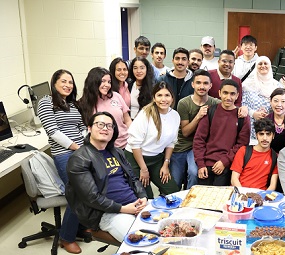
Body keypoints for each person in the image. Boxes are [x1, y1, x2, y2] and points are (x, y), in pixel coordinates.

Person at [65, 111, 147, 242]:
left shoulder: (117, 152)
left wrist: (143, 196)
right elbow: (91, 198)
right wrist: (123, 209)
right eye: (100, 124)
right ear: (89, 128)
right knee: (141, 242)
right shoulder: (79, 158)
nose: (105, 128)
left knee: (168, 228)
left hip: (134, 204)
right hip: (108, 213)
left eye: (109, 126)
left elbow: (133, 179)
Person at [37, 69, 85, 254]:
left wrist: (85, 145)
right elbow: (52, 130)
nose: (67, 85)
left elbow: (81, 127)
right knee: (76, 194)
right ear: (54, 83)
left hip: (81, 151)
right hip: (64, 154)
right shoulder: (45, 102)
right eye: (63, 81)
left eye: (70, 82)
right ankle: (66, 237)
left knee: (87, 190)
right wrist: (76, 147)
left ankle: (79, 227)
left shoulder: (72, 104)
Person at [125, 82, 180, 198]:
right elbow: (135, 144)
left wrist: (166, 164)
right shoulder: (145, 114)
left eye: (167, 95)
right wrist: (144, 169)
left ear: (172, 97)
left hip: (156, 159)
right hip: (136, 159)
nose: (163, 99)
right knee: (146, 197)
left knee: (174, 192)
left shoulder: (175, 116)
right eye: (159, 95)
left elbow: (171, 142)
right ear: (154, 98)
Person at [193, 79, 250, 186]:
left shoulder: (242, 117)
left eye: (232, 94)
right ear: (219, 93)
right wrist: (201, 165)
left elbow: (241, 145)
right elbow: (199, 140)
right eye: (225, 93)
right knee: (202, 198)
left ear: (237, 95)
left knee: (220, 199)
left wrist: (225, 161)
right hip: (206, 164)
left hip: (227, 165)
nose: (228, 97)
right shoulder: (210, 112)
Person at [171, 69, 221, 189]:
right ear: (193, 84)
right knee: (175, 180)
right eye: (198, 83)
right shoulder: (184, 103)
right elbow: (185, 132)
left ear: (210, 86)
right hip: (181, 146)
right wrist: (199, 116)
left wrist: (242, 109)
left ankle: (190, 200)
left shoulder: (215, 103)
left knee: (194, 173)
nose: (202, 86)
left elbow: (231, 106)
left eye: (205, 83)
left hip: (199, 147)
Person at [78, 67, 132, 149]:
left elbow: (127, 120)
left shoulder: (116, 96)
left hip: (126, 144)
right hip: (103, 148)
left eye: (109, 82)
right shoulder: (84, 104)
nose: (107, 85)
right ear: (93, 82)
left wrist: (133, 137)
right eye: (103, 81)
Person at [242, 56, 283, 144]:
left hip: (271, 126)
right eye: (260, 64)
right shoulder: (247, 84)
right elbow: (242, 104)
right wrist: (254, 113)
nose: (263, 66)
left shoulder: (277, 86)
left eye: (265, 63)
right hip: (251, 127)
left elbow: (282, 105)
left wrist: (269, 115)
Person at [231, 118, 278, 190]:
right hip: (239, 193)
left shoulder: (275, 157)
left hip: (260, 196)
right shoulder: (243, 151)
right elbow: (234, 179)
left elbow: (272, 185)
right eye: (261, 134)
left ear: (273, 136)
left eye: (268, 134)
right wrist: (243, 194)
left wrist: (263, 198)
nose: (265, 138)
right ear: (256, 136)